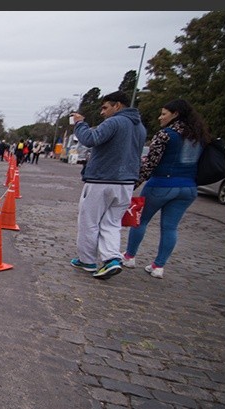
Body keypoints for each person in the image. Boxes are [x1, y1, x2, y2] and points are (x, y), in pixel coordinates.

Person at [121, 99, 211, 279]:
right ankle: (158, 266)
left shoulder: (165, 135)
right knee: (170, 227)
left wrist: (133, 184)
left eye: (164, 114)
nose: (160, 117)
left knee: (141, 221)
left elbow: (150, 164)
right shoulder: (199, 137)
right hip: (188, 187)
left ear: (175, 114)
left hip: (162, 184)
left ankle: (130, 256)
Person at [69, 90, 146, 279]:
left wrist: (79, 123)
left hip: (102, 180)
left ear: (117, 105)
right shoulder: (140, 128)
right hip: (126, 182)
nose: (102, 112)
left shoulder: (114, 122)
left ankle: (87, 260)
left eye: (105, 107)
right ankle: (111, 258)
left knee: (89, 221)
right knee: (112, 223)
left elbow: (90, 139)